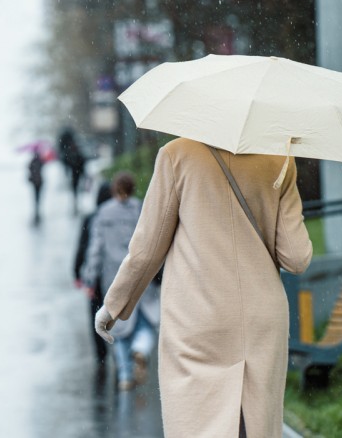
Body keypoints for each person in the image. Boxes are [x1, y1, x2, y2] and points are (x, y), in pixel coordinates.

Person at [94, 138, 313, 438]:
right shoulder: (279, 158)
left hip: (198, 318)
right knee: (254, 423)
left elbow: (147, 249)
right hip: (261, 321)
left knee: (198, 423)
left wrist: (113, 306)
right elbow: (296, 258)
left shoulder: (177, 155)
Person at [83, 172, 159, 391]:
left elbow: (96, 248)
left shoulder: (103, 213)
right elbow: (154, 241)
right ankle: (141, 349)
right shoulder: (141, 209)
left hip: (114, 277)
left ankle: (125, 376)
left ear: (115, 189)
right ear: (133, 188)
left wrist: (90, 276)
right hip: (141, 275)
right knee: (146, 322)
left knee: (118, 328)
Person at [73, 182, 113, 368]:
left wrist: (77, 272)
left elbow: (82, 246)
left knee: (96, 314)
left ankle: (101, 355)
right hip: (115, 274)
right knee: (116, 314)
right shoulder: (117, 217)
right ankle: (119, 355)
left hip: (96, 277)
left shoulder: (91, 218)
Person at [28, 151, 44, 224]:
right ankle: (37, 209)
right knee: (38, 196)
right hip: (39, 182)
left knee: (36, 196)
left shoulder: (32, 162)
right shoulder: (40, 162)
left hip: (35, 182)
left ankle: (36, 209)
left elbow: (29, 168)